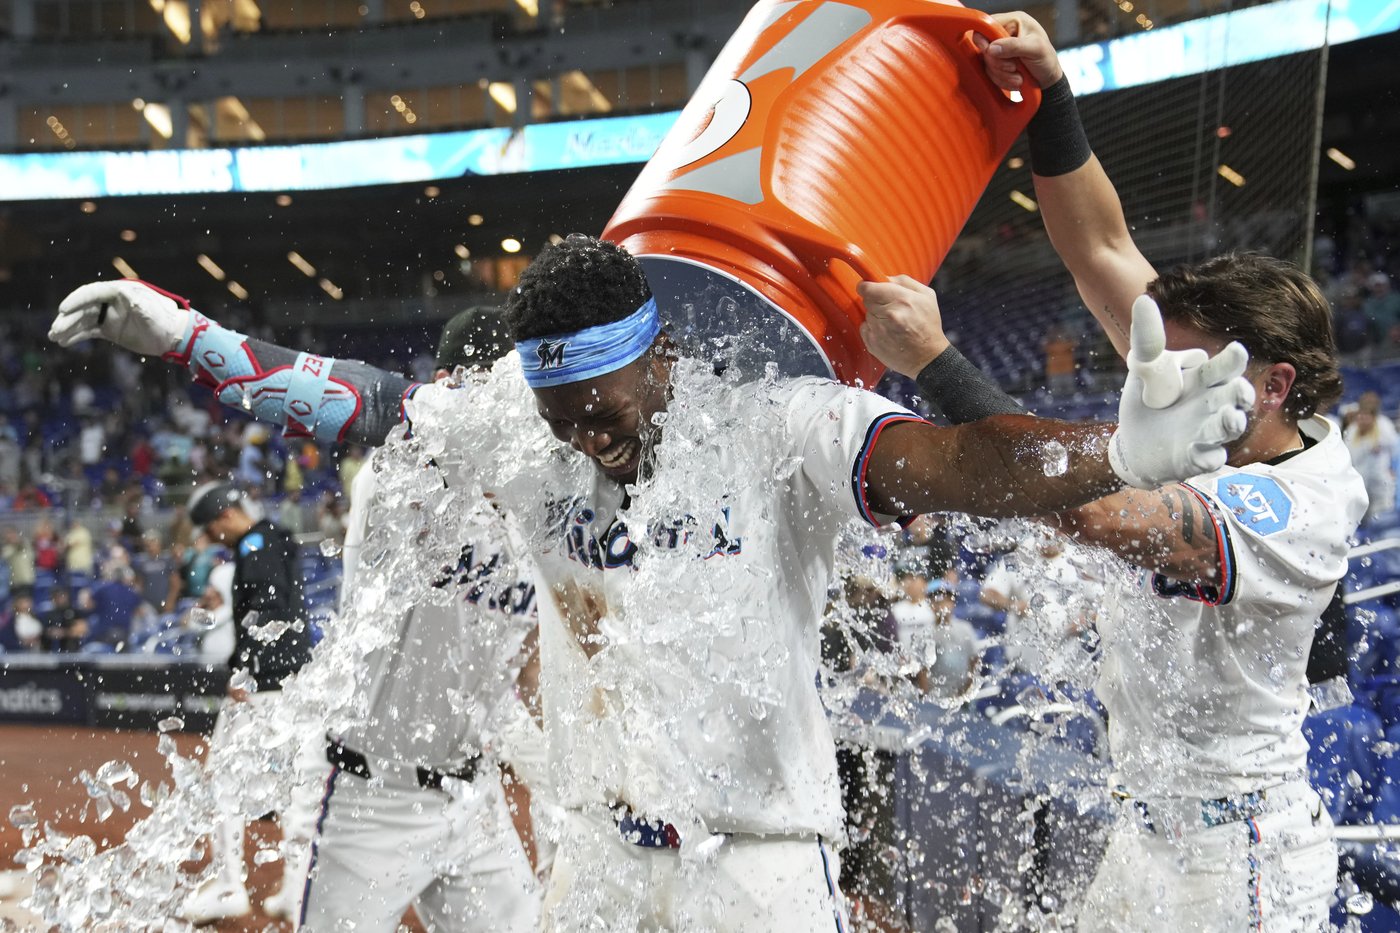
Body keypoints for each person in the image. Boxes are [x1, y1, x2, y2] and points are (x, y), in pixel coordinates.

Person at [51, 223, 1251, 927]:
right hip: (599, 864)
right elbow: (362, 402)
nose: (582, 437)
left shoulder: (782, 432)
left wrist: (1109, 455)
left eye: (601, 410)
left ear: (660, 358)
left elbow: (952, 467)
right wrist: (187, 337)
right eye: (558, 414)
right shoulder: (526, 430)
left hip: (759, 868)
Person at [857, 13, 1366, 929]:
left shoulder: (1302, 499)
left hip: (1237, 858)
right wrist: (1051, 96)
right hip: (1148, 833)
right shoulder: (1213, 395)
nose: (1160, 376)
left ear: (1274, 380)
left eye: (1188, 362)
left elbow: (1094, 513)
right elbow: (1099, 250)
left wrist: (935, 363)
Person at [298, 306, 542, 933]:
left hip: (472, 795)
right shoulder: (401, 472)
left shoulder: (536, 499)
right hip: (370, 796)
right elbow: (409, 435)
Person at [179, 480, 322, 924]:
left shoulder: (255, 544)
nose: (212, 538)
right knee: (298, 793)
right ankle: (296, 896)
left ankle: (228, 887)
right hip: (294, 684)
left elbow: (269, 609)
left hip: (262, 687)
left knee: (223, 782)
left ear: (225, 516)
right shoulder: (275, 537)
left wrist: (245, 668)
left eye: (212, 528)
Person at [1344, 390, 1397, 523]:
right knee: (1360, 517)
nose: (1363, 419)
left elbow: (1395, 449)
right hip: (1359, 482)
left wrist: (1393, 468)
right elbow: (1346, 456)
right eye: (1361, 416)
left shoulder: (1384, 426)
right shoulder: (1352, 430)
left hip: (1381, 482)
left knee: (1381, 519)